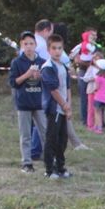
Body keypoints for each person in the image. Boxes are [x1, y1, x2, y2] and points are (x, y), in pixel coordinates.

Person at [9, 31, 46, 173]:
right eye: (26, 44)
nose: (29, 47)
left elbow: (49, 82)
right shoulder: (17, 62)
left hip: (39, 103)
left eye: (31, 43)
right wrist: (27, 75)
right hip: (24, 103)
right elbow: (14, 82)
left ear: (36, 45)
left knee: (45, 132)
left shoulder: (42, 62)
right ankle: (27, 163)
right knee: (25, 135)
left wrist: (40, 76)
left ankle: (50, 160)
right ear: (21, 45)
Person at [40, 34, 72, 179]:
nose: (57, 51)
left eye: (59, 48)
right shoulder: (47, 67)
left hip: (64, 109)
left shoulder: (63, 66)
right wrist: (64, 105)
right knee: (51, 139)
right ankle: (49, 169)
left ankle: (60, 167)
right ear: (48, 50)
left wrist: (69, 106)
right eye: (54, 48)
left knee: (63, 139)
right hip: (54, 109)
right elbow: (53, 90)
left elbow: (68, 88)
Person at [91, 58, 105, 133]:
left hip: (99, 98)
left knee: (97, 113)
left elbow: (97, 87)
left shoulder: (98, 78)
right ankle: (96, 126)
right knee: (100, 112)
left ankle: (99, 128)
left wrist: (93, 90)